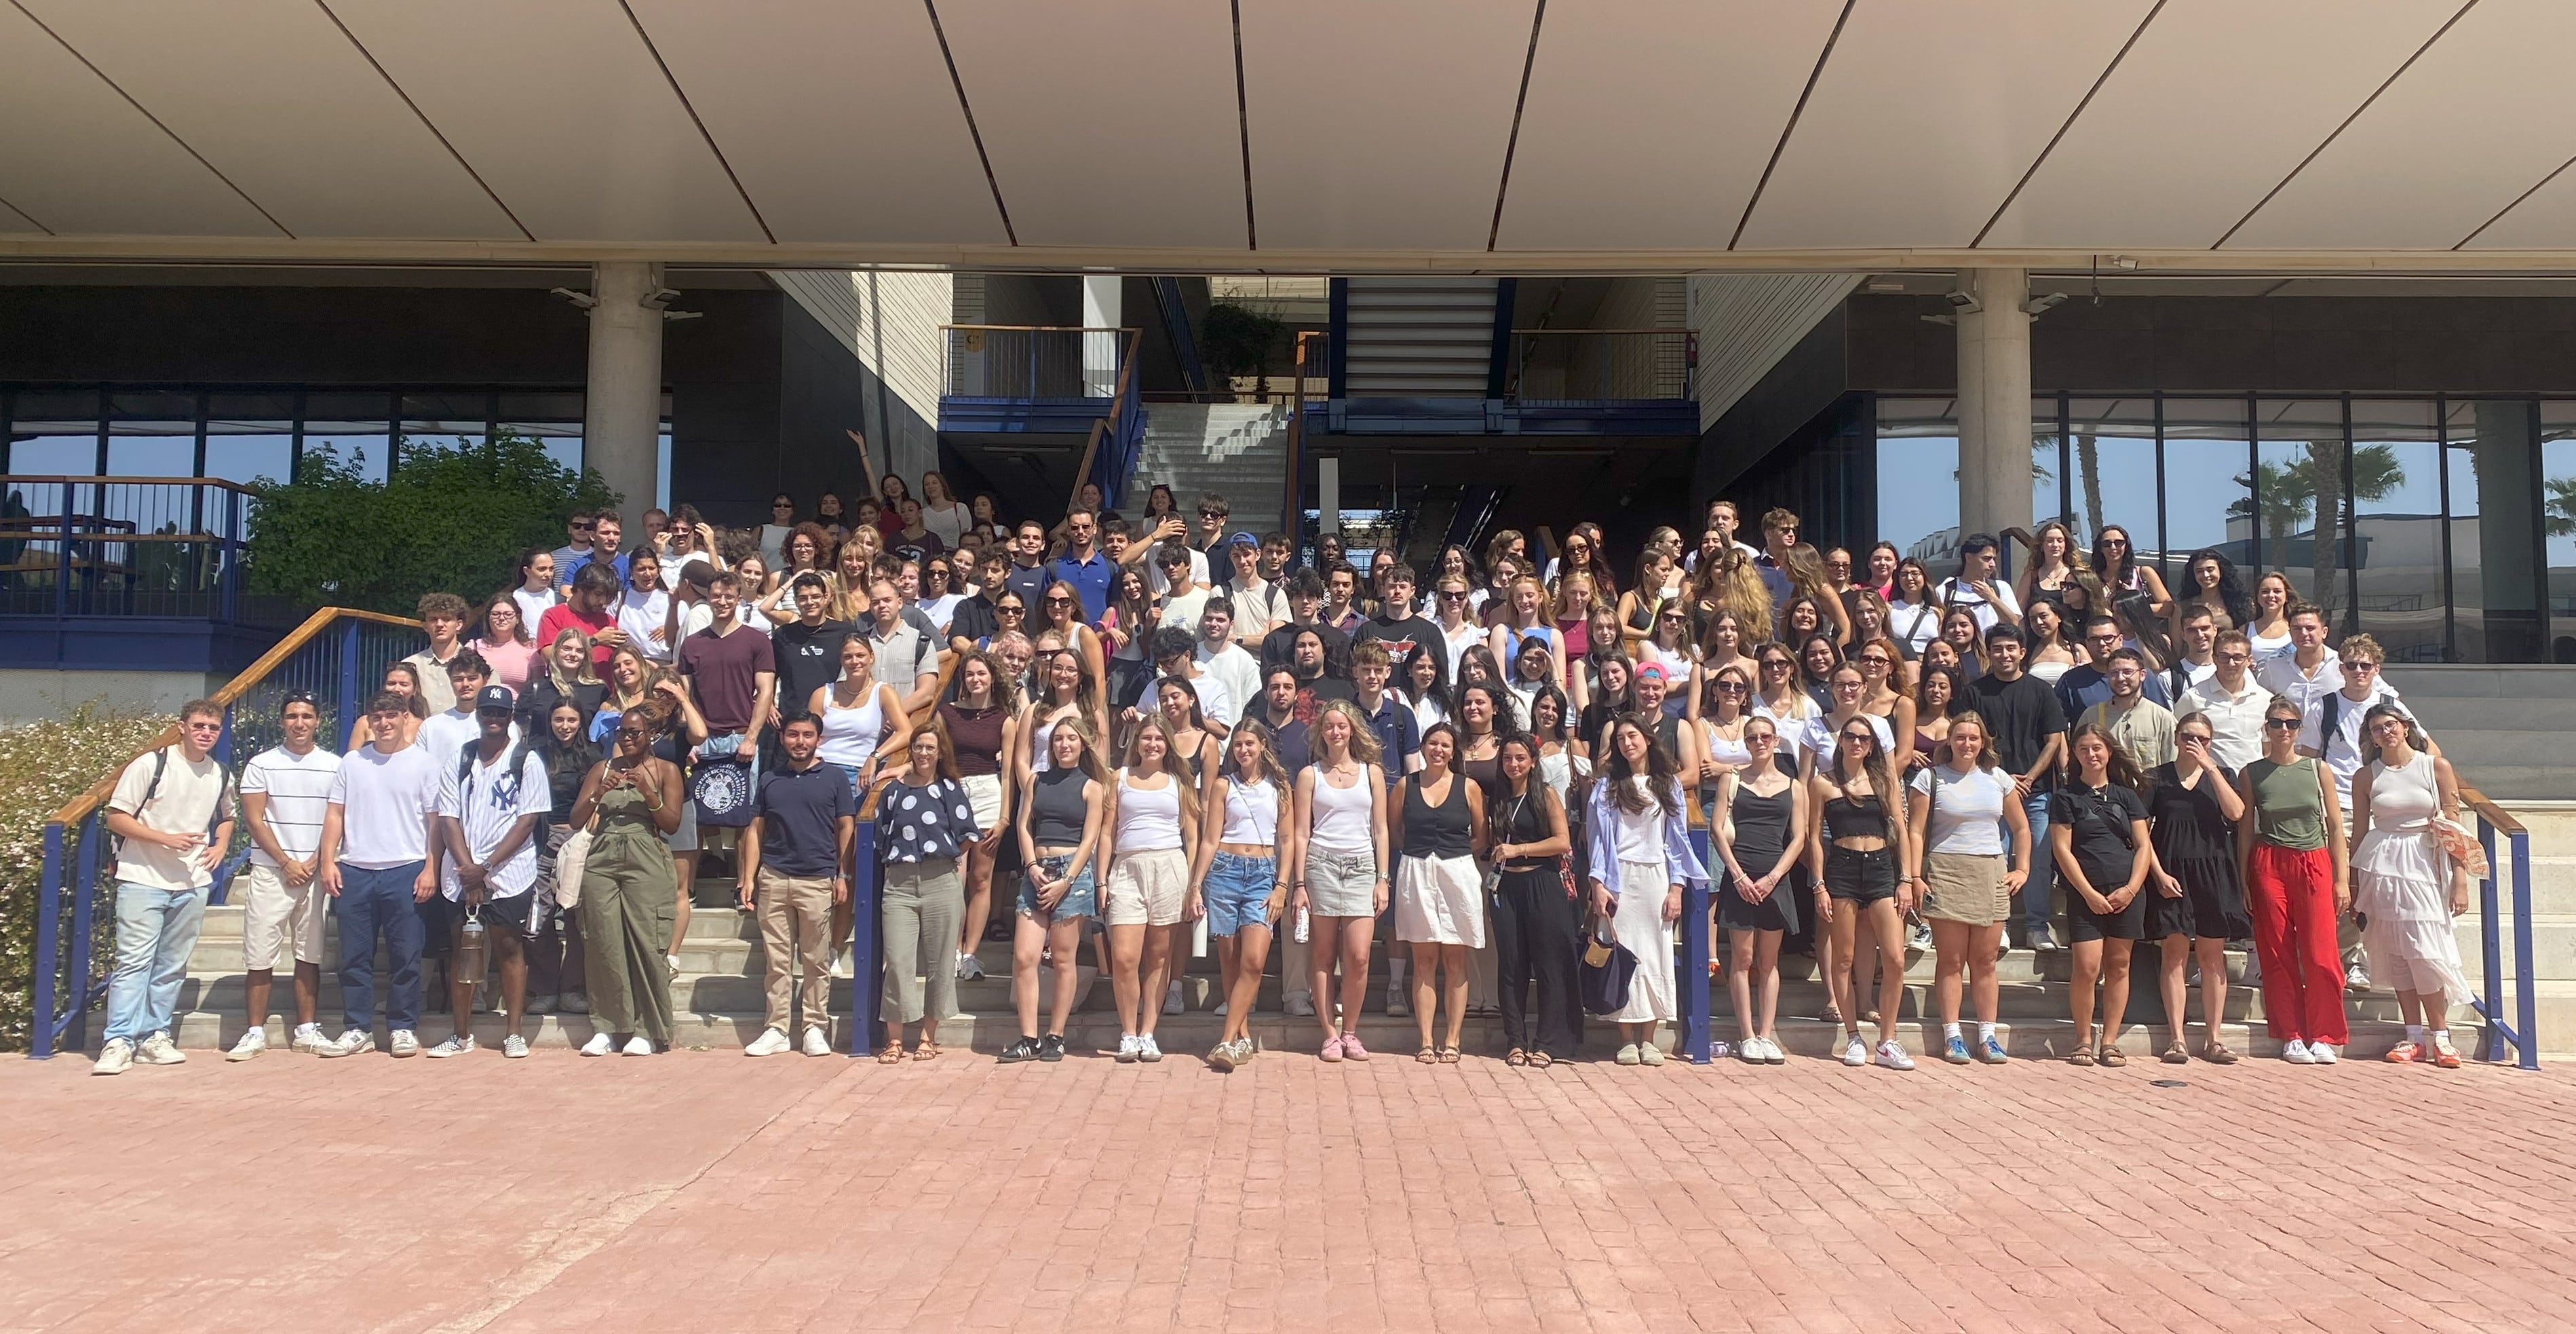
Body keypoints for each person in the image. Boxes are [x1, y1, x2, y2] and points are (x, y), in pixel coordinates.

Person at [91, 700, 237, 1075]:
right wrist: (163, 839)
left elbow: (227, 816)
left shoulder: (220, 774)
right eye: (200, 725)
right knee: (133, 963)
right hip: (142, 878)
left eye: (213, 728)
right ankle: (119, 1040)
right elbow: (116, 817)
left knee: (172, 966)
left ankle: (154, 1035)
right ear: (182, 727)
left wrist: (221, 846)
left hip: (192, 883)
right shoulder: (151, 764)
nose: (206, 733)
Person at [424, 686, 550, 1059]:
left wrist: (486, 867)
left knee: (509, 948)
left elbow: (527, 821)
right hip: (460, 874)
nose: (493, 719)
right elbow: (448, 817)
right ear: (477, 714)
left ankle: (513, 1033)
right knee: (464, 949)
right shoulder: (460, 758)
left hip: (509, 871)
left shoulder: (526, 760)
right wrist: (467, 869)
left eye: (500, 712)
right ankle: (461, 1034)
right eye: (487, 712)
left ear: (510, 716)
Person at [315, 692, 441, 1060]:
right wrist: (328, 861)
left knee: (406, 956)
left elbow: (435, 823)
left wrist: (431, 867)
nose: (384, 723)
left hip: (407, 869)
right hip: (355, 870)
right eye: (377, 717)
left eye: (391, 716)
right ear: (369, 722)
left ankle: (403, 1027)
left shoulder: (425, 764)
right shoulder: (352, 763)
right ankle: (357, 1028)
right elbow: (335, 814)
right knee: (354, 956)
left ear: (405, 718)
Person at [2348, 702, 2473, 1067]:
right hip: (2381, 864)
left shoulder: (2435, 766)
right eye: (2376, 728)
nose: (2384, 732)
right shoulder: (2366, 775)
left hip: (2425, 862)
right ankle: (2413, 1035)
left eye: (2390, 725)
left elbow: (2454, 826)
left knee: (2425, 951)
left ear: (2405, 727)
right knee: (2397, 952)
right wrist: (2354, 885)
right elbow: (2359, 832)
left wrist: (2460, 879)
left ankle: (2442, 1036)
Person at [1585, 712, 1710, 1065]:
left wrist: (1677, 887)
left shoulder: (1667, 784)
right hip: (1618, 879)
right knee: (1621, 955)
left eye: (1633, 736)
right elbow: (1597, 840)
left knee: (1655, 953)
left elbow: (1677, 840)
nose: (1627, 743)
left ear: (1648, 739)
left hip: (1656, 876)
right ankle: (1625, 1037)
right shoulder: (1607, 787)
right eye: (1621, 739)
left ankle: (1650, 1038)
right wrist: (1598, 883)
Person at [224, 692, 342, 1061]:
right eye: (292, 716)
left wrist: (313, 861)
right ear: (282, 722)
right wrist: (286, 861)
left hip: (314, 872)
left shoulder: (336, 765)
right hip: (271, 873)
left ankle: (307, 1031)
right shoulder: (262, 764)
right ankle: (254, 1032)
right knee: (260, 955)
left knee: (309, 955)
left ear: (318, 721)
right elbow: (254, 820)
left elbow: (338, 818)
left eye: (307, 716)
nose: (300, 723)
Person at [1906, 710, 2029, 1065]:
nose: (1966, 744)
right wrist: (1915, 875)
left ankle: (1988, 1037)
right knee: (1951, 960)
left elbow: (2021, 828)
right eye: (1959, 737)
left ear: (1983, 743)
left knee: (1986, 961)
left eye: (1973, 738)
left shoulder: (1998, 778)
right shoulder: (1930, 778)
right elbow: (1915, 830)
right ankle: (1953, 1035)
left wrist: (2022, 868)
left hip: (1991, 870)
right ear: (1949, 741)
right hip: (1946, 870)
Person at [567, 696, 685, 1057]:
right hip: (603, 854)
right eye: (622, 732)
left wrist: (649, 793)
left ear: (651, 735)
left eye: (635, 733)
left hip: (645, 853)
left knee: (646, 941)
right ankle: (607, 1026)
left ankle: (648, 1029)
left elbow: (671, 824)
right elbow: (575, 820)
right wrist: (598, 795)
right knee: (603, 941)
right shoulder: (602, 768)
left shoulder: (666, 770)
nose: (627, 738)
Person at [2238, 694, 2351, 1064]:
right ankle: (2290, 1033)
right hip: (2269, 861)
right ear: (2266, 728)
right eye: (2276, 723)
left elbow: (2335, 825)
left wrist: (2341, 879)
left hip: (2314, 860)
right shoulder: (2252, 772)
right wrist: (2243, 881)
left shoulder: (2318, 769)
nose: (2283, 730)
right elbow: (2245, 831)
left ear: (2300, 728)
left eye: (2290, 724)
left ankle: (2324, 1033)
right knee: (2277, 951)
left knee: (2321, 954)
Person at [737, 712, 855, 1059]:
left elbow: (845, 828)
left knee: (816, 960)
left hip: (818, 879)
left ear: (819, 739)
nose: (799, 741)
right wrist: (748, 877)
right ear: (784, 738)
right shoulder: (771, 779)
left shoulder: (833, 778)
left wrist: (842, 874)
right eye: (792, 735)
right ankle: (776, 1028)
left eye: (807, 735)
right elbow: (756, 830)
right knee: (777, 961)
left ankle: (814, 1027)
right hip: (774, 877)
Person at [1807, 712, 1917, 1070]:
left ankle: (1887, 1040)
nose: (1857, 743)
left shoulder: (1884, 780)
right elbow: (1814, 839)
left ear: (1872, 746)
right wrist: (1819, 884)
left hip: (1882, 869)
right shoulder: (1823, 783)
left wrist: (1907, 878)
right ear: (1841, 742)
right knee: (1843, 958)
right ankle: (1853, 1036)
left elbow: (1900, 830)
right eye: (1851, 737)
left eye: (1864, 739)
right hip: (1842, 868)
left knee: (1896, 958)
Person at [2143, 712, 2252, 1065]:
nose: (2195, 744)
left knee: (2211, 956)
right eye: (2188, 736)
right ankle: (2177, 1038)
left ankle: (2215, 1039)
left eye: (2203, 738)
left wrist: (2211, 768)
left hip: (2213, 870)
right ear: (2176, 738)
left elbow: (2236, 812)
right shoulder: (2155, 777)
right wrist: (2157, 873)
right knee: (2173, 954)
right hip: (2172, 870)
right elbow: (2141, 832)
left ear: (2211, 741)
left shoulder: (2223, 775)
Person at [1001, 721, 1108, 1064]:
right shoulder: (1036, 781)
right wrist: (1031, 866)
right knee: (1025, 957)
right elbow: (1023, 824)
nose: (1064, 744)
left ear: (1082, 745)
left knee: (1064, 959)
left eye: (1071, 739)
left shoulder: (1092, 787)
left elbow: (1090, 838)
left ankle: (1055, 1036)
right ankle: (1029, 1036)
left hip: (1072, 874)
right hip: (1037, 870)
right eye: (1059, 739)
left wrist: (1067, 881)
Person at [870, 725, 978, 1062]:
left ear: (940, 752)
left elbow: (966, 835)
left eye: (931, 748)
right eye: (918, 746)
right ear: (911, 750)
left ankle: (929, 1037)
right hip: (900, 884)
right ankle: (895, 1039)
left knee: (940, 963)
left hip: (940, 881)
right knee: (899, 962)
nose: (924, 753)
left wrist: (943, 860)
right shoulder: (894, 791)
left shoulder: (949, 788)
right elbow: (881, 836)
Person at [1292, 700, 1391, 1061]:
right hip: (1320, 865)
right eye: (1329, 726)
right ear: (1321, 731)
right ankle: (1330, 1033)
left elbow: (1381, 830)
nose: (1336, 732)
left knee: (1359, 957)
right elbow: (1302, 832)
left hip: (1363, 866)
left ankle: (1351, 1031)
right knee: (1322, 954)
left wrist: (1383, 879)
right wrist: (1299, 884)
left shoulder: (1372, 773)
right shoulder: (1309, 775)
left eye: (1342, 725)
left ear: (1353, 730)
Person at [2052, 723, 2154, 1067]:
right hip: (2086, 893)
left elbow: (2143, 846)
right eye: (2083, 748)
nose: (2091, 754)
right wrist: (2089, 893)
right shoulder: (2066, 798)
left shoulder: (2128, 796)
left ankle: (2109, 1040)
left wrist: (2131, 888)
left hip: (2126, 891)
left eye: (2097, 747)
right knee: (2086, 967)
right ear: (2075, 755)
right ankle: (2082, 1039)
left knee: (2120, 965)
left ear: (2109, 751)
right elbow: (2063, 850)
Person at [1712, 716, 1809, 1066]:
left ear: (1776, 739)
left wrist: (1773, 878)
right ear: (1746, 742)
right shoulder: (1731, 779)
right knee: (1743, 959)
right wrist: (1738, 876)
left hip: (1775, 878)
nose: (1759, 743)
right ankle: (1747, 1034)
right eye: (1752, 738)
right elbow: (1717, 830)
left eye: (1765, 736)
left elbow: (1799, 838)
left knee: (1769, 961)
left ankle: (1766, 1035)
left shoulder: (1795, 786)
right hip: (1740, 874)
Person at [1197, 721, 1292, 1070]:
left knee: (1254, 961)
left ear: (1263, 745)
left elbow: (1286, 840)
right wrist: (1197, 884)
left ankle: (1225, 1040)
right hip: (1225, 870)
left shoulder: (1279, 786)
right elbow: (1210, 839)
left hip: (1263, 874)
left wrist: (1282, 885)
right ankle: (1242, 1037)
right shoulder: (1224, 785)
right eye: (1237, 745)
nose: (1243, 750)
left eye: (1249, 743)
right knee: (1230, 960)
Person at [1968, 625, 2069, 954]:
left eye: (2011, 648)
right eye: (1997, 648)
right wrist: (2000, 776)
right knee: (1995, 858)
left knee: (2038, 860)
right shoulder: (1975, 691)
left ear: (2022, 652)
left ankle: (2037, 926)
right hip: (1989, 791)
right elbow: (1969, 738)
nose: (2004, 655)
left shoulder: (2041, 691)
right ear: (1989, 652)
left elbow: (2054, 740)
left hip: (2035, 791)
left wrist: (2027, 777)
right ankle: (2000, 924)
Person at [1390, 723, 1486, 1064]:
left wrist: (1452, 857)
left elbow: (1481, 837)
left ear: (1453, 751)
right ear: (1423, 746)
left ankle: (1453, 1039)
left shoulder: (1468, 787)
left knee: (1455, 959)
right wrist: (1422, 855)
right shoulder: (1405, 785)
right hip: (1416, 872)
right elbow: (1395, 831)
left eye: (1445, 745)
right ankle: (1427, 1040)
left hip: (1457, 873)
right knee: (1424, 960)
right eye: (1433, 743)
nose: (1438, 750)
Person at [938, 649, 1019, 985]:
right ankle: (951, 950)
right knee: (954, 878)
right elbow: (932, 753)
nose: (975, 680)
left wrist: (1004, 818)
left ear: (992, 678)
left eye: (981, 674)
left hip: (988, 794)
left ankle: (970, 953)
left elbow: (1008, 774)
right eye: (970, 674)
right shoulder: (947, 713)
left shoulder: (1005, 720)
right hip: (953, 793)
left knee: (981, 880)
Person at [528, 702, 595, 1018]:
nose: (565, 725)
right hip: (541, 839)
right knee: (538, 917)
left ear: (581, 722)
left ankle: (573, 989)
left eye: (572, 719)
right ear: (549, 721)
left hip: (579, 840)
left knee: (576, 917)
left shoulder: (594, 756)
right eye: (558, 719)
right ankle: (545, 989)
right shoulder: (534, 753)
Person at [815, 635, 913, 798]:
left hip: (858, 771)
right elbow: (808, 733)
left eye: (860, 655)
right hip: (820, 769)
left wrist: (874, 757)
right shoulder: (823, 693)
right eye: (848, 657)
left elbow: (906, 732)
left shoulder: (882, 692)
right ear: (841, 660)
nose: (854, 661)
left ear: (871, 657)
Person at [2186, 630, 2271, 772]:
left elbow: (2268, 749)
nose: (2231, 663)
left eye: (2238, 657)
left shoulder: (2265, 699)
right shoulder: (2192, 698)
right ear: (2214, 658)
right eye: (2224, 657)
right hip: (2209, 783)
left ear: (2249, 660)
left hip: (2251, 785)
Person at [2079, 648, 2177, 769]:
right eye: (2114, 673)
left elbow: (2173, 768)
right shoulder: (2091, 716)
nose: (2120, 678)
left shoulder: (2162, 719)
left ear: (2142, 675)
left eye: (2127, 672)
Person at [862, 578, 941, 715]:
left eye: (887, 600)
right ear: (870, 608)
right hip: (865, 726)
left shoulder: (921, 642)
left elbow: (926, 693)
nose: (881, 605)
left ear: (899, 603)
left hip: (906, 725)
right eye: (876, 602)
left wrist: (893, 716)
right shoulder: (860, 643)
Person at [2256, 602, 2343, 719]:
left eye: (2310, 628)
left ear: (2324, 632)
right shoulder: (2273, 669)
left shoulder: (2344, 666)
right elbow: (2260, 709)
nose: (2303, 634)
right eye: (2297, 629)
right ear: (2290, 632)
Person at [539, 563, 627, 676]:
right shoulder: (553, 616)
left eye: (608, 597)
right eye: (598, 594)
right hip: (570, 689)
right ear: (581, 588)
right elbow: (549, 655)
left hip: (605, 689)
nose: (603, 602)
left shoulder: (608, 620)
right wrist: (594, 641)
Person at [1356, 562, 1441, 672]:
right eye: (1392, 587)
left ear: (1412, 591)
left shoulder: (1430, 632)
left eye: (1402, 587)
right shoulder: (1366, 631)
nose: (1397, 591)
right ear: (1384, 590)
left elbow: (1440, 676)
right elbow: (1354, 674)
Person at [1191, 598, 1261, 727]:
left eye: (1221, 620)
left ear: (1232, 624)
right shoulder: (1190, 656)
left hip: (1233, 740)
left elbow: (1254, 703)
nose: (1213, 623)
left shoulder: (1244, 660)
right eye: (1209, 618)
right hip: (1197, 738)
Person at [1936, 533, 2021, 634]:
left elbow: (2013, 623)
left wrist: (1992, 598)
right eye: (1986, 559)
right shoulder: (1945, 591)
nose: (1992, 564)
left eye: (1994, 559)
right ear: (1969, 557)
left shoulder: (2001, 588)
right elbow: (1938, 629)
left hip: (1990, 649)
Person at [403, 592, 473, 714]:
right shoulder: (409, 666)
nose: (440, 624)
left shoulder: (479, 666)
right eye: (433, 619)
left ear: (459, 624)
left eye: (447, 619)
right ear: (425, 625)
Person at [472, 594, 540, 697]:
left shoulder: (531, 648)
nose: (502, 618)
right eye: (495, 614)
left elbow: (538, 687)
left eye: (508, 614)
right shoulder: (474, 647)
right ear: (488, 618)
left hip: (518, 709)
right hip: (482, 709)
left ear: (517, 618)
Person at [615, 550, 674, 664]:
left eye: (651, 568)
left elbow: (685, 629)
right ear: (631, 572)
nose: (647, 574)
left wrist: (671, 628)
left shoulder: (670, 599)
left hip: (662, 665)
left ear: (658, 571)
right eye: (641, 569)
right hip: (630, 664)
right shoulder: (620, 599)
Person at [920, 472, 972, 548]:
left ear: (943, 486)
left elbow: (967, 536)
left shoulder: (960, 508)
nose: (931, 486)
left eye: (934, 483)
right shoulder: (922, 513)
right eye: (927, 484)